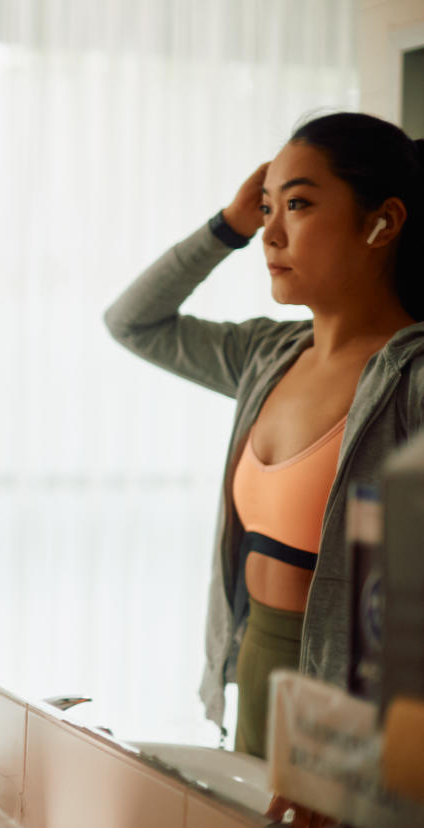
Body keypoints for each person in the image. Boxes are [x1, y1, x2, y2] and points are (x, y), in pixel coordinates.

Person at [105, 112, 422, 769]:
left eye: (299, 205)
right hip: (254, 673)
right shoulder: (266, 354)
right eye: (266, 208)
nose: (269, 234)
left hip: (358, 715)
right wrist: (228, 224)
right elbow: (132, 322)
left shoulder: (412, 380)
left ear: (382, 223)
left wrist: (374, 747)